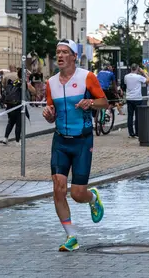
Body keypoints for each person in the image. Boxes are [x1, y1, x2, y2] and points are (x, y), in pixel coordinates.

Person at [42, 39, 107, 252]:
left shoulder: (87, 77)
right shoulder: (51, 83)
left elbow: (104, 102)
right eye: (57, 52)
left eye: (64, 52)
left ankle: (92, 197)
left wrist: (90, 102)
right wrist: (48, 114)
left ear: (74, 56)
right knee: (58, 188)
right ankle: (71, 236)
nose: (60, 55)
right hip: (60, 140)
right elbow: (51, 113)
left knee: (77, 194)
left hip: (82, 140)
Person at [2, 68, 35, 145]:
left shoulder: (14, 81)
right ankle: (17, 141)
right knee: (18, 124)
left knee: (11, 122)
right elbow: (34, 91)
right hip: (19, 105)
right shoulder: (24, 83)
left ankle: (5, 138)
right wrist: (28, 82)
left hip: (10, 105)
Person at [124, 64, 149, 138]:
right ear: (137, 69)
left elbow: (126, 84)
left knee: (130, 116)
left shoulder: (126, 76)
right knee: (138, 116)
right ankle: (137, 133)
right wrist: (143, 72)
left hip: (129, 98)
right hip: (137, 98)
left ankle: (131, 133)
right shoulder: (139, 77)